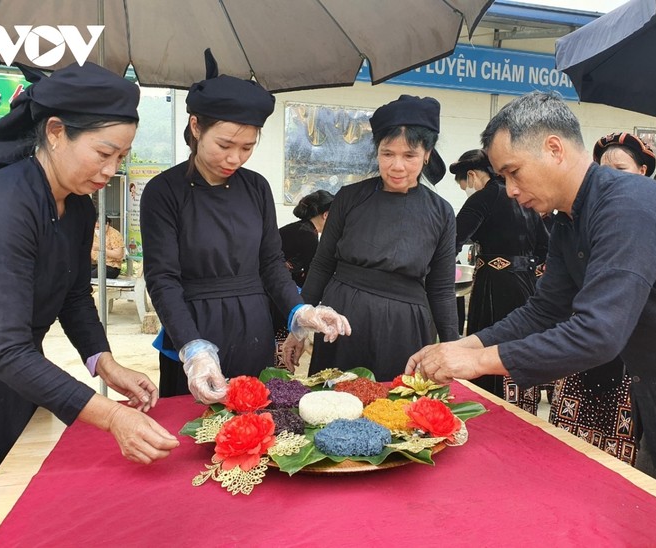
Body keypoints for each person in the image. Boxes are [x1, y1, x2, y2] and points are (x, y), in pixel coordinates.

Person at [406, 91, 656, 495]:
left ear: (554, 148)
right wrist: (464, 346)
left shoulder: (630, 206)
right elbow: (544, 311)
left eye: (513, 172)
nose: (509, 190)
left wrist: (479, 362)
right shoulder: (568, 221)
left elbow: (598, 334)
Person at [0, 62, 180, 523]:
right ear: (56, 131)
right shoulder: (3, 209)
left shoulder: (77, 206)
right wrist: (112, 417)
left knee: (15, 500)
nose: (111, 170)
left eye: (121, 157)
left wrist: (105, 361)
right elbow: (5, 348)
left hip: (15, 378)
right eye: (103, 153)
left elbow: (74, 294)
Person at [140, 50, 350, 402]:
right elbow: (162, 279)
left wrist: (300, 310)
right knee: (197, 432)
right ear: (196, 126)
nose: (235, 158)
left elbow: (271, 264)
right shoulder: (164, 191)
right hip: (192, 326)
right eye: (224, 144)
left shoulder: (256, 187)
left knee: (255, 428)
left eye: (247, 147)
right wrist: (192, 348)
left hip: (253, 326)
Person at [283, 94, 459, 381]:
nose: (397, 166)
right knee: (333, 405)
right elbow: (323, 263)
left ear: (427, 154)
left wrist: (451, 347)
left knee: (397, 412)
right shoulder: (350, 198)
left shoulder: (441, 212)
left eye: (409, 155)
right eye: (387, 153)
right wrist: (299, 328)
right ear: (377, 151)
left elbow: (440, 289)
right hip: (343, 320)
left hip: (406, 328)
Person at [541, 131, 656, 465]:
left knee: (622, 457)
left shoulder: (650, 219)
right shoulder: (576, 221)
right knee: (569, 450)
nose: (609, 177)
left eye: (619, 168)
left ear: (642, 172)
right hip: (584, 342)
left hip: (629, 353)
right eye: (603, 169)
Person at [450, 149, 549, 414]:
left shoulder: (484, 198)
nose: (466, 191)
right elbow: (545, 246)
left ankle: (491, 411)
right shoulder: (523, 197)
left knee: (489, 343)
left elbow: (453, 241)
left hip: (494, 285)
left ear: (471, 175)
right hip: (527, 284)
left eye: (464, 186)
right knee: (521, 341)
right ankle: (522, 410)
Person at [273, 190, 334, 367]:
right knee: (283, 341)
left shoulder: (297, 228)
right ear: (326, 215)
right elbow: (310, 276)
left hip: (274, 292)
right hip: (279, 297)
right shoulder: (308, 237)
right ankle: (281, 374)